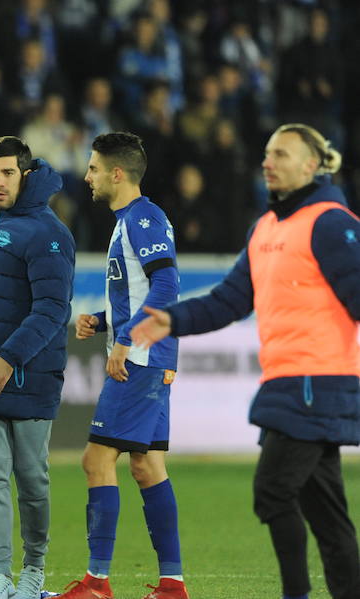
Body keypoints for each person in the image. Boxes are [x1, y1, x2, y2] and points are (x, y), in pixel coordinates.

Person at [132, 123, 360, 599]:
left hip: (317, 382)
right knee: (326, 515)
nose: (267, 161)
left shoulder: (332, 222)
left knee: (273, 492)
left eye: (280, 153)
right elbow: (229, 300)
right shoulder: (266, 228)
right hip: (292, 382)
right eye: (266, 152)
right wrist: (173, 319)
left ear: (310, 165)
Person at [58, 132, 187, 599]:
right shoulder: (130, 220)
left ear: (116, 172)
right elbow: (143, 291)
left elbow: (167, 285)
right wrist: (106, 319)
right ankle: (172, 585)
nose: (87, 176)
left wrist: (126, 340)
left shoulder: (143, 218)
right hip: (151, 354)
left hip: (143, 357)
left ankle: (96, 583)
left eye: (92, 168)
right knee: (148, 466)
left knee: (96, 459)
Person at [0, 136, 75, 599]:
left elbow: (50, 310)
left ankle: (35, 571)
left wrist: (9, 358)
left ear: (25, 174)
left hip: (27, 376)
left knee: (31, 480)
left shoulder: (49, 232)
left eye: (7, 173)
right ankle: (1, 576)